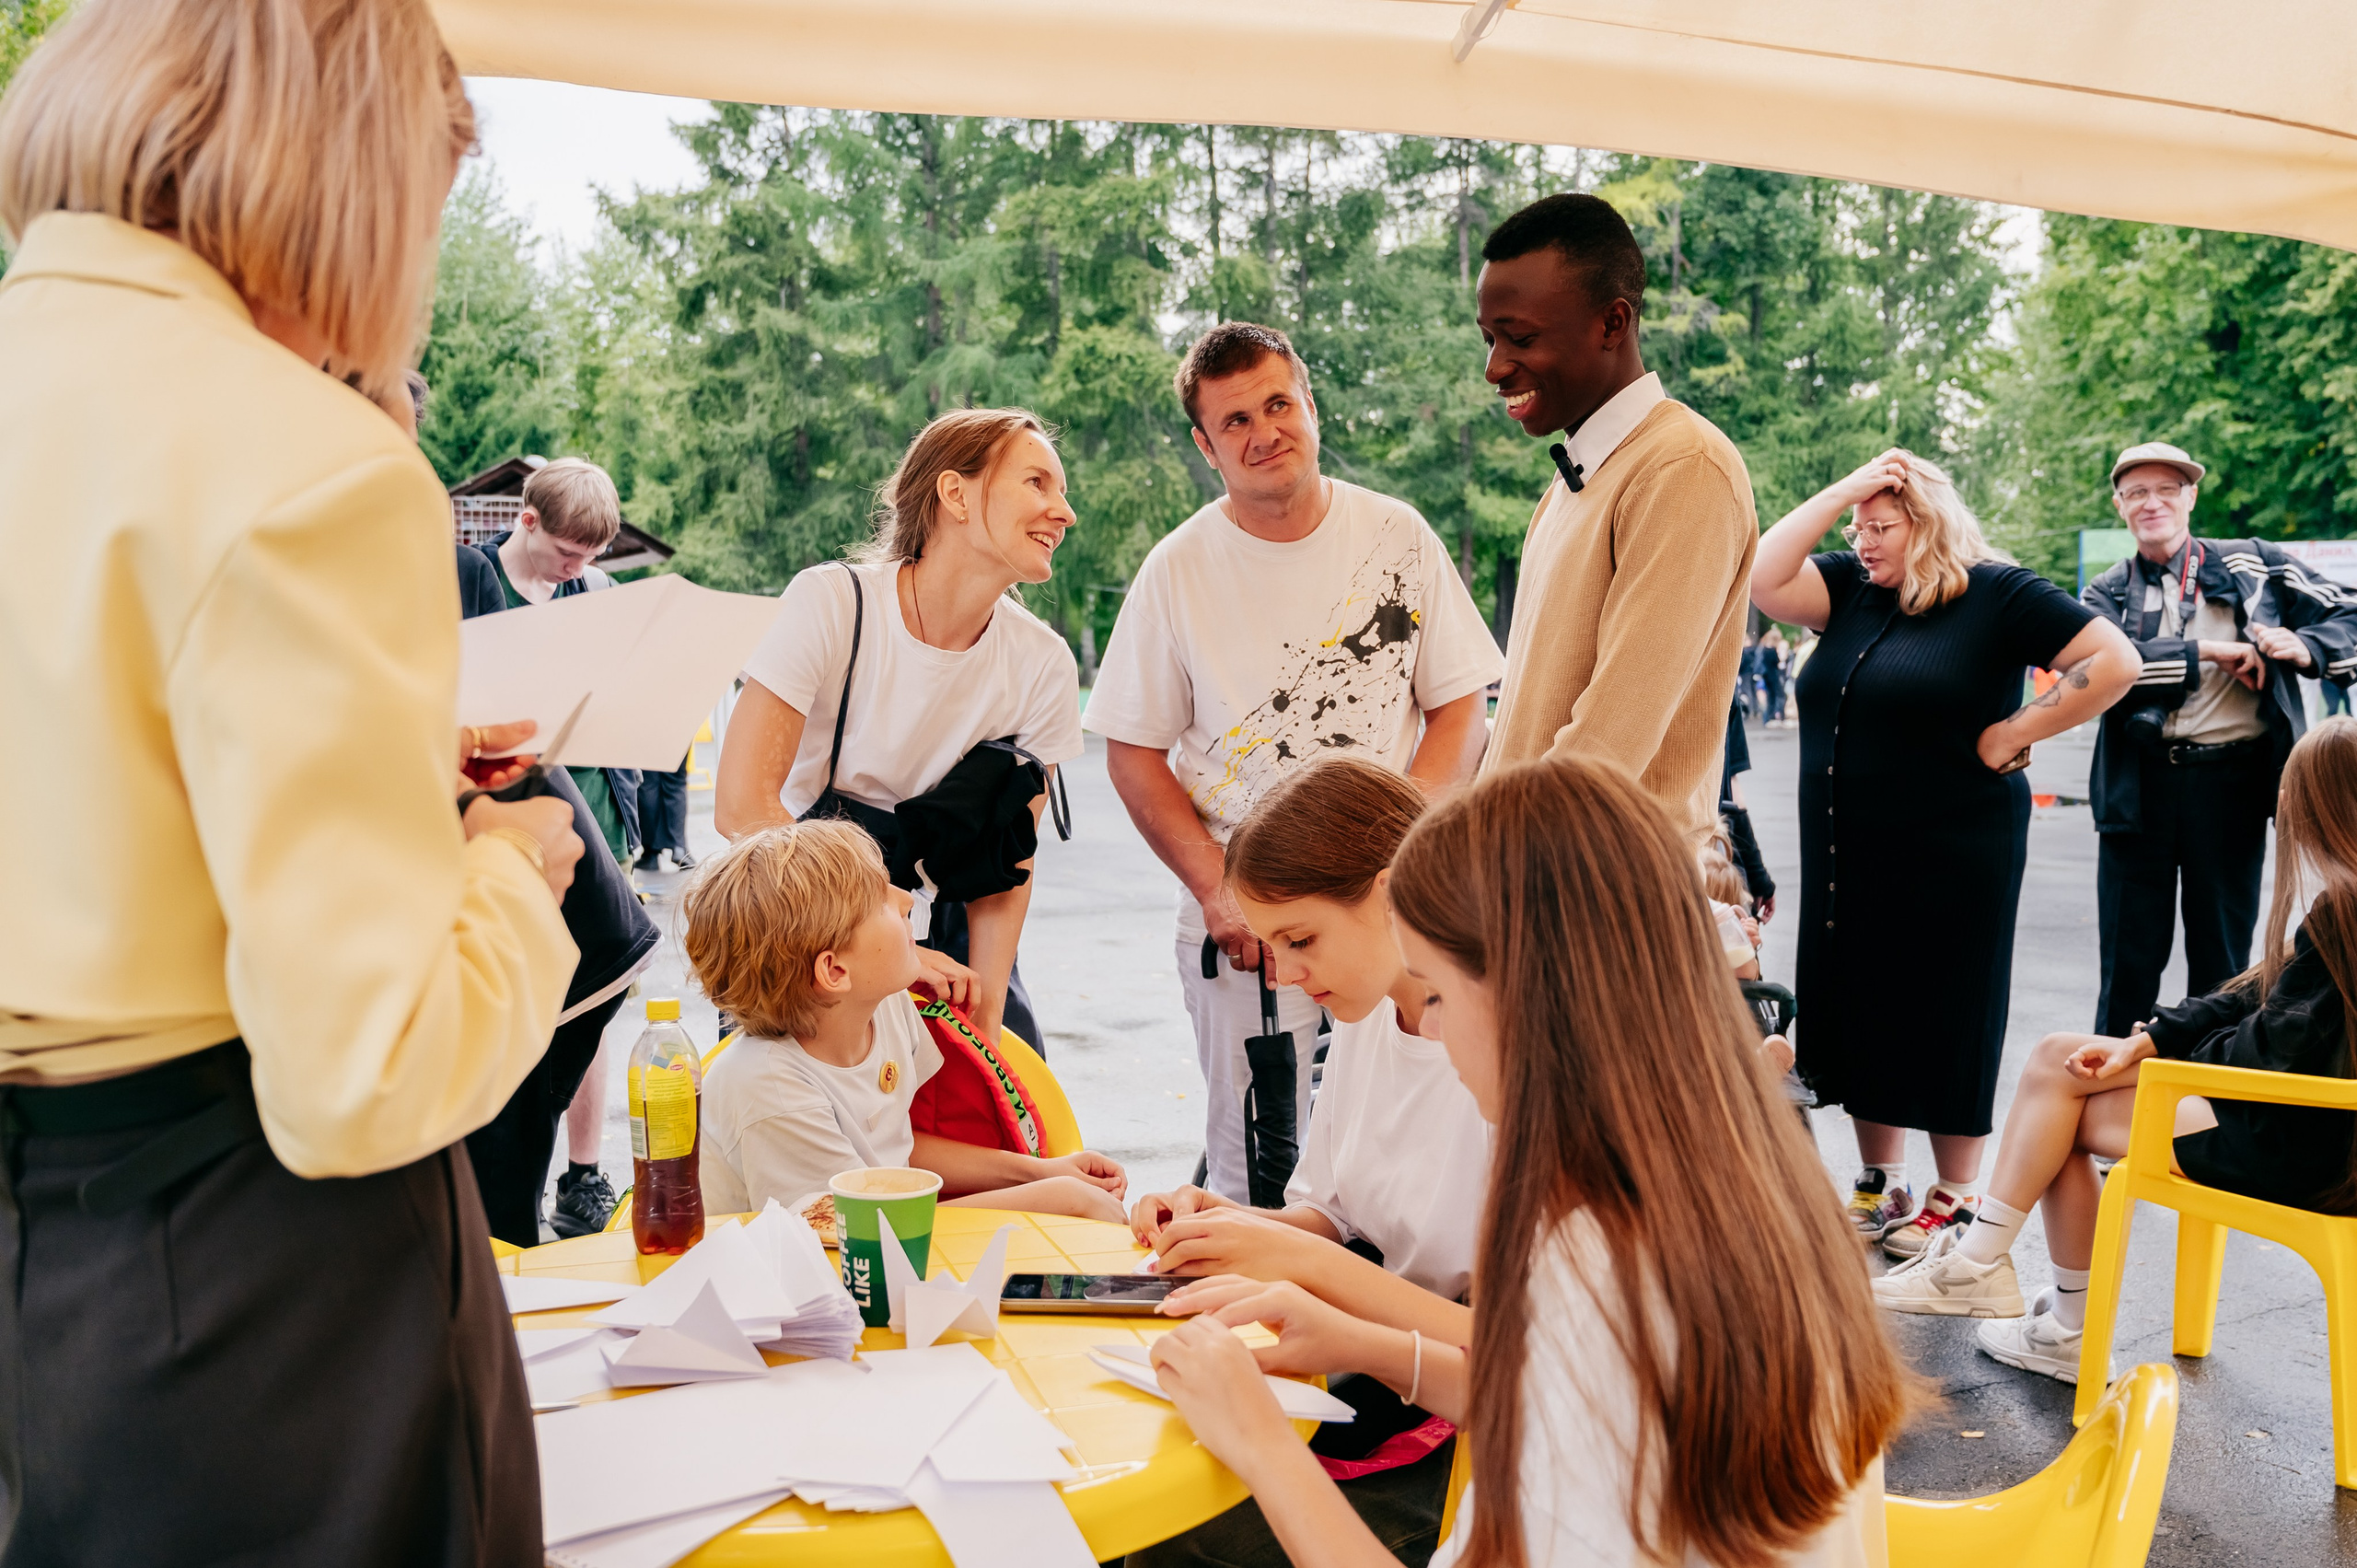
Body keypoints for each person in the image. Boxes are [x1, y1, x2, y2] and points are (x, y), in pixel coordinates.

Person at [0, 2, 586, 1560]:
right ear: (353, 171)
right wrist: (512, 871)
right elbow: (366, 1073)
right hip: (259, 1289)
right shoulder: (302, 459)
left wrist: (395, 769)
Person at [1144, 758, 1912, 1568]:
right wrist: (1361, 1342)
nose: (1431, 1029)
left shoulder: (1599, 1262)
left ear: (1527, 993)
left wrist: (1265, 1445)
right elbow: (1549, 1389)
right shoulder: (1712, 1187)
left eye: (1437, 992)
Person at [1086, 321, 1501, 1206]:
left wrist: (1407, 846)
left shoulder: (1397, 533)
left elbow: (1463, 701)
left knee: (1409, 1136)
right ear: (1206, 446)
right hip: (1245, 926)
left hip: (1389, 907)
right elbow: (1131, 750)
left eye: (1279, 403)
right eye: (1235, 421)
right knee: (1252, 1161)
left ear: (1311, 406)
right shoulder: (1177, 570)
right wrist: (1218, 888)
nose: (1264, 431)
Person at [1875, 717, 2357, 1383]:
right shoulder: (2345, 913)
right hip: (2315, 1130)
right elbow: (2254, 998)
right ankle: (1997, 1275)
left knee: (2061, 1111)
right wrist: (2150, 1041)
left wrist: (2166, 1061)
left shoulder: (2347, 915)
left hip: (2303, 1143)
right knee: (2058, 1058)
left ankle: (2028, 1298)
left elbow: (2269, 1050)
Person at [1751, 449, 2139, 1262]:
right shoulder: (1849, 589)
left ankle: (1954, 1194)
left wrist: (2016, 731)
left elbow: (2113, 662)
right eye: (1859, 526)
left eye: (1882, 526)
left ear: (1927, 524)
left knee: (1943, 1005)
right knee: (1856, 1001)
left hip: (1954, 848)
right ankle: (1880, 1178)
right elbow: (1762, 573)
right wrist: (1850, 488)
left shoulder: (1998, 593)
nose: (1864, 539)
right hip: (1844, 851)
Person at [1125, 758, 1489, 1568]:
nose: (1285, 974)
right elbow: (1333, 1216)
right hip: (1387, 1373)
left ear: (1394, 894)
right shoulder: (1365, 1011)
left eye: (1300, 940)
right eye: (1272, 944)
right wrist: (1225, 1223)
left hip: (1458, 1431)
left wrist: (1291, 1256)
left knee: (1176, 1544)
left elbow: (1517, 1353)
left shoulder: (1499, 1052)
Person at [715, 407, 1082, 1051]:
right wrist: (891, 943)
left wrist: (989, 1015)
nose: (1064, 511)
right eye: (1038, 483)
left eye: (1062, 491)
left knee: (1002, 1109)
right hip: (808, 915)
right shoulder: (832, 602)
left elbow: (1007, 868)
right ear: (955, 494)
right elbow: (743, 807)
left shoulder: (1044, 664)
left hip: (950, 928)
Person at [1473, 194, 1758, 835]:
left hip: (1598, 903)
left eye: (1520, 338)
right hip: (1534, 889)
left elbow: (1604, 749)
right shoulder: (1583, 468)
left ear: (1612, 323)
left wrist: (1460, 866)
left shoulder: (1684, 468)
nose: (1494, 368)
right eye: (1489, 339)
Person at [683, 820, 1126, 1220]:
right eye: (879, 900)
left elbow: (897, 1156)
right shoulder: (771, 1089)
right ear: (835, 972)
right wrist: (1059, 1199)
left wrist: (1039, 1174)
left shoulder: (888, 1007)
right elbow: (855, 1230)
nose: (904, 898)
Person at [2081, 440, 2357, 1039]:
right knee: (2127, 965)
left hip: (2231, 784)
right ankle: (2108, 1104)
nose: (2152, 502)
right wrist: (2205, 649)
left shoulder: (2251, 564)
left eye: (2167, 489)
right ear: (2120, 505)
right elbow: (2100, 667)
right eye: (2137, 492)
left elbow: (2350, 612)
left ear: (2191, 497)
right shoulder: (2106, 590)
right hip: (2139, 788)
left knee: (2224, 965)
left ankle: (2212, 1109)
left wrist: (2304, 646)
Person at [638, 749, 697, 871]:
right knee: (675, 781)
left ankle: (651, 853)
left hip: (648, 732)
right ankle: (679, 848)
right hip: (678, 731)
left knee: (649, 782)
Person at [1762, 624, 1792, 725]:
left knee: (1770, 696)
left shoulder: (1764, 649)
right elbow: (1776, 662)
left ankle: (1769, 717)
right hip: (1774, 675)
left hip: (1767, 675)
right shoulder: (1772, 650)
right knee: (1778, 695)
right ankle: (1778, 716)